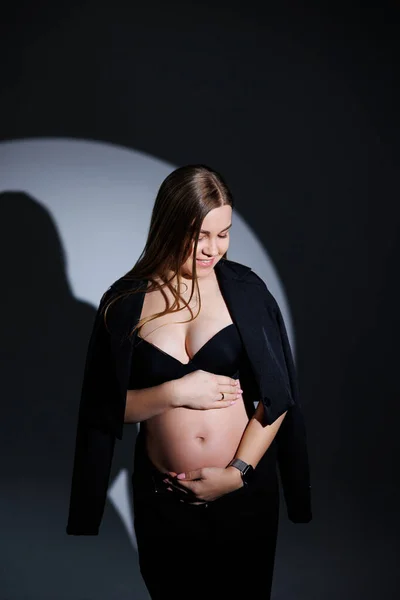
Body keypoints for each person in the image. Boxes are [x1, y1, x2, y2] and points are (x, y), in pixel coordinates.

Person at [66, 164, 312, 599]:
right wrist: (173, 392)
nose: (212, 249)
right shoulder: (124, 302)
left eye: (223, 233)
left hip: (241, 493)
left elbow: (278, 396)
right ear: (169, 226)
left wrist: (236, 475)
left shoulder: (247, 291)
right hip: (163, 498)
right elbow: (103, 405)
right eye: (200, 235)